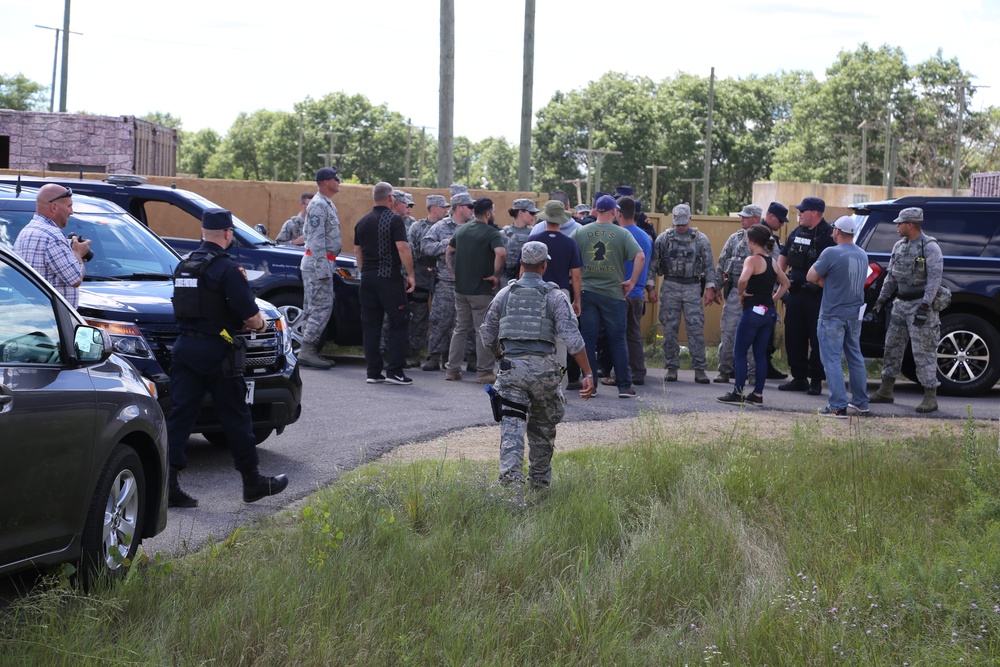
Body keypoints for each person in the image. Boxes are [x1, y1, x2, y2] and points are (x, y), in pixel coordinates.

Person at [166, 209, 288, 507]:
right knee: (236, 417)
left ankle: (166, 484)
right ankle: (253, 482)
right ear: (228, 233)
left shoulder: (185, 266)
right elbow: (249, 314)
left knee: (180, 417)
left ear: (203, 232)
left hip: (184, 349)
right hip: (216, 352)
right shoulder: (226, 269)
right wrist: (259, 325)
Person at [480, 241, 595, 488]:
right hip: (544, 374)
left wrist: (500, 354)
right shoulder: (555, 297)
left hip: (511, 372)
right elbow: (573, 340)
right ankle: (540, 487)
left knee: (512, 430)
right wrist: (587, 372)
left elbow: (487, 334)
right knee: (542, 431)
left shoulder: (505, 294)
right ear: (544, 266)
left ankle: (511, 490)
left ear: (521, 264)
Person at [869, 207, 944, 414]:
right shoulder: (899, 246)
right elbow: (891, 276)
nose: (897, 226)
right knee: (892, 346)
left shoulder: (929, 247)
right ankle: (886, 390)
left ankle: (930, 396)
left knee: (924, 351)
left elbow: (934, 280)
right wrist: (881, 300)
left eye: (900, 223)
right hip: (900, 305)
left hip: (920, 305)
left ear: (910, 224)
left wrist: (925, 305)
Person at [571, 194, 645, 398]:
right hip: (614, 294)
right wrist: (631, 281)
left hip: (588, 292)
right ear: (614, 212)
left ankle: (590, 384)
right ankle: (623, 386)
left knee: (588, 339)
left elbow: (570, 255)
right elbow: (640, 256)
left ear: (595, 211)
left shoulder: (580, 232)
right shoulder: (622, 234)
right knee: (617, 340)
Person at [717, 225, 789, 406]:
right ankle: (757, 394)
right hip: (768, 313)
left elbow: (742, 280)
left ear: (753, 241)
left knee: (740, 352)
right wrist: (772, 299)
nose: (747, 243)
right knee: (759, 355)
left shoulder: (752, 260)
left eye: (748, 240)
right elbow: (786, 283)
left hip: (752, 312)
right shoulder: (772, 261)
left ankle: (738, 392)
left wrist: (741, 293)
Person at [806, 216, 870, 417]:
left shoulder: (831, 252)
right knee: (855, 357)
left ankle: (837, 405)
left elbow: (810, 276)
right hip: (854, 314)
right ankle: (860, 401)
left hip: (832, 314)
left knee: (832, 359)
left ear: (837, 231)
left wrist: (823, 280)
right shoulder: (862, 254)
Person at [354, 182, 416, 385]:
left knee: (371, 325)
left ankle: (373, 372)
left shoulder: (362, 222)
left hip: (368, 280)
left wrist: (365, 272)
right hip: (389, 279)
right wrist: (411, 275)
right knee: (399, 320)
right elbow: (403, 248)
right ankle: (395, 371)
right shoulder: (394, 220)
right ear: (390, 198)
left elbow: (358, 252)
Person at [647, 203, 718, 384]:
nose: (680, 227)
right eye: (677, 224)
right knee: (669, 329)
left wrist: (711, 288)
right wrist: (651, 287)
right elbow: (653, 264)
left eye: (683, 224)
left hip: (692, 287)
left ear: (690, 219)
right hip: (670, 285)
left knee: (695, 328)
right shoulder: (663, 239)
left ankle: (700, 368)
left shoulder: (700, 239)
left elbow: (710, 266)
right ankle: (671, 367)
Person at [445, 197, 506, 383]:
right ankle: (485, 372)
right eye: (493, 211)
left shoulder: (461, 230)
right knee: (483, 330)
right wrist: (496, 275)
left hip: (461, 289)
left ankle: (452, 370)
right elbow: (501, 253)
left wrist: (453, 271)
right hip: (481, 289)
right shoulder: (492, 233)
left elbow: (449, 250)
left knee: (460, 328)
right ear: (488, 213)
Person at [778, 196, 835, 395]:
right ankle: (799, 377)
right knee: (794, 336)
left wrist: (822, 283)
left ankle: (816, 380)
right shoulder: (797, 231)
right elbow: (784, 255)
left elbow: (837, 266)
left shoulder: (829, 235)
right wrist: (780, 279)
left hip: (817, 296)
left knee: (817, 338)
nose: (799, 214)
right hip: (795, 293)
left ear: (815, 213)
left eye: (803, 211)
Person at [420, 188, 474, 371]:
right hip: (446, 282)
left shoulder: (475, 226)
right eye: (470, 206)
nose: (472, 210)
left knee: (471, 324)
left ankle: (471, 359)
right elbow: (425, 246)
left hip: (470, 283)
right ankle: (434, 356)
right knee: (440, 320)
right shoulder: (441, 227)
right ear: (459, 208)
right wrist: (448, 243)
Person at [13, 184, 90, 308]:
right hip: (51, 319)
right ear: (54, 207)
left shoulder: (26, 231)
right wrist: (78, 253)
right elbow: (75, 279)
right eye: (69, 206)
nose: (71, 211)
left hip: (28, 314)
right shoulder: (52, 236)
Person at [534, 199, 584, 387]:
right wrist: (577, 299)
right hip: (561, 293)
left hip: (537, 292)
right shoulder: (570, 243)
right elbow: (576, 276)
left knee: (537, 335)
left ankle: (537, 382)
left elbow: (523, 271)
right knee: (561, 339)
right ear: (562, 220)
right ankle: (559, 386)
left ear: (545, 218)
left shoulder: (534, 240)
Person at [714, 204, 764, 384]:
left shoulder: (767, 240)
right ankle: (724, 370)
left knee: (753, 335)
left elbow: (773, 268)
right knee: (728, 332)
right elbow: (721, 263)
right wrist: (715, 288)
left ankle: (752, 374)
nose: (742, 219)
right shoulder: (734, 239)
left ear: (756, 219)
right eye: (741, 216)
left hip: (756, 295)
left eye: (746, 216)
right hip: (735, 293)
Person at [298, 167, 342, 370]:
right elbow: (315, 240)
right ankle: (307, 349)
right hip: (318, 264)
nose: (339, 181)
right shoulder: (318, 205)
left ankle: (308, 349)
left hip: (321, 262)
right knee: (321, 307)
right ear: (325, 182)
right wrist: (323, 269)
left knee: (314, 307)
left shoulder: (325, 204)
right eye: (336, 178)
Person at [406, 194, 448, 366]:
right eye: (443, 207)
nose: (446, 210)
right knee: (418, 315)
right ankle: (414, 353)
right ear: (433, 208)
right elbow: (410, 250)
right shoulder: (417, 227)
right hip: (421, 274)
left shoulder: (446, 226)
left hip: (442, 274)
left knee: (444, 316)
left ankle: (442, 354)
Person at [615, 196, 653, 385]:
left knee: (618, 335)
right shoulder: (645, 236)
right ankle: (638, 373)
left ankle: (621, 374)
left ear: (618, 213)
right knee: (634, 334)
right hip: (638, 294)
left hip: (620, 291)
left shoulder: (618, 235)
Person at [759, 201, 790, 380]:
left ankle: (765, 365)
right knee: (762, 330)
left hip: (770, 291)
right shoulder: (763, 236)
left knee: (768, 330)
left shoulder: (772, 237)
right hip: (762, 292)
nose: (781, 224)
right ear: (770, 217)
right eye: (779, 221)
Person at [501, 198, 539, 280]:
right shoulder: (503, 234)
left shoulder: (534, 233)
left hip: (528, 278)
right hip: (506, 278)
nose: (534, 216)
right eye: (531, 213)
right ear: (520, 213)